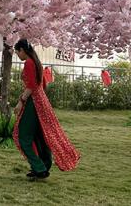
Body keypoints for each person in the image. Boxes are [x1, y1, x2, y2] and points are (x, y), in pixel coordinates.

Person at [12, 39, 80, 179]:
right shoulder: (37, 62)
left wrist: (21, 101)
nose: (17, 55)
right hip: (42, 101)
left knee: (22, 136)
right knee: (41, 136)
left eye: (17, 52)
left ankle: (39, 167)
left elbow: (31, 85)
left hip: (34, 102)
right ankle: (44, 165)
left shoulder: (29, 63)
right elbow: (42, 85)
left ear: (22, 50)